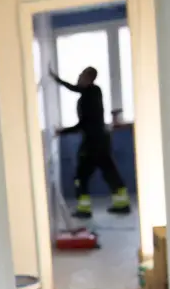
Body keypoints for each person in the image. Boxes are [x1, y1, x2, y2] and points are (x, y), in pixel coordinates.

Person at [49, 65, 130, 219]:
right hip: (102, 140)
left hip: (92, 144)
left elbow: (83, 124)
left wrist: (62, 132)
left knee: (81, 176)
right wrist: (57, 79)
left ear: (88, 78)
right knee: (110, 172)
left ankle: (84, 209)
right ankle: (123, 204)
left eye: (81, 75)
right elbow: (75, 88)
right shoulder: (94, 91)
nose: (79, 77)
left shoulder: (88, 98)